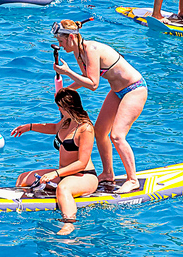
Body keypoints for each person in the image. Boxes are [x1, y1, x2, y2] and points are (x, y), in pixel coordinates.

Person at [51, 19, 147, 194]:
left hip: (134, 89)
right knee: (100, 131)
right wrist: (65, 90)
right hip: (117, 91)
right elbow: (84, 77)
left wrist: (67, 72)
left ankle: (132, 180)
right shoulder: (77, 52)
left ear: (71, 37)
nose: (60, 45)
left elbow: (93, 84)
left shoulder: (91, 49)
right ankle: (108, 173)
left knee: (117, 136)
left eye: (61, 41)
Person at [11, 88, 98, 235]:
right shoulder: (66, 120)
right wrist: (30, 127)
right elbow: (53, 128)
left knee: (63, 189)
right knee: (23, 178)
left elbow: (82, 163)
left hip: (84, 176)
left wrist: (55, 173)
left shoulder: (86, 129)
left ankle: (69, 223)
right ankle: (18, 205)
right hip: (64, 174)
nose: (58, 109)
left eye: (60, 106)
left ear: (67, 107)